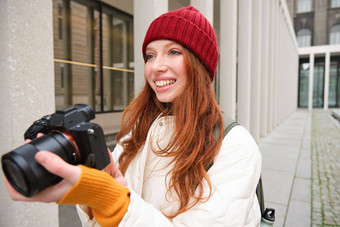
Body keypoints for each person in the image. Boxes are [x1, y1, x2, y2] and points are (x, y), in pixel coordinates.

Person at [5, 6, 262, 227]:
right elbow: (99, 214)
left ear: (200, 65)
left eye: (174, 52)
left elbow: (117, 203)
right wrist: (90, 187)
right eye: (151, 55)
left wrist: (117, 202)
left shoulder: (236, 145)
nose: (156, 66)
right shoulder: (140, 128)